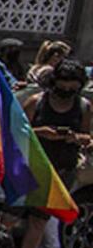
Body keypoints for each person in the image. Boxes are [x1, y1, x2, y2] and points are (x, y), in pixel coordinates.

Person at [25, 59, 92, 190]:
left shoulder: (84, 106)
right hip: (35, 167)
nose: (66, 91)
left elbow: (86, 137)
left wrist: (74, 137)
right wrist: (41, 132)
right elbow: (18, 132)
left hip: (67, 170)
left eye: (72, 89)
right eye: (62, 88)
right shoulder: (35, 102)